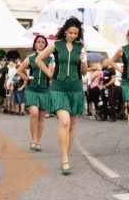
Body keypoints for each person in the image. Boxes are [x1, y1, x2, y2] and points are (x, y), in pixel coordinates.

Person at [35, 17, 87, 175]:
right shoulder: (56, 45)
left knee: (71, 125)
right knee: (64, 121)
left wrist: (84, 61)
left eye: (75, 33)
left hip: (76, 88)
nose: (72, 35)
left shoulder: (81, 47)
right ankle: (64, 159)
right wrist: (49, 73)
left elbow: (84, 72)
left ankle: (67, 156)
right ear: (65, 31)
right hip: (58, 87)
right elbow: (39, 59)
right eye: (70, 32)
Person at [19, 36, 51, 151]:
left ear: (46, 44)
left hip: (44, 89)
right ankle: (33, 140)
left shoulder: (49, 59)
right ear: (35, 44)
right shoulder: (30, 58)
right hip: (32, 89)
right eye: (38, 42)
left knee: (42, 116)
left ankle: (38, 141)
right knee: (34, 113)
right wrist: (27, 79)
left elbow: (51, 73)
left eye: (43, 42)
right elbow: (19, 71)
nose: (41, 44)